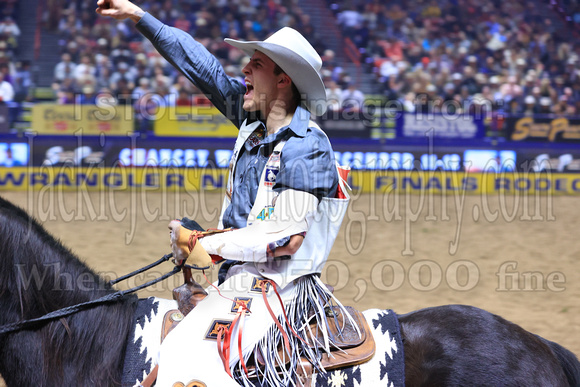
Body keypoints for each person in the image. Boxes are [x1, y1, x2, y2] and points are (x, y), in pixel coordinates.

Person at [96, 1, 353, 386]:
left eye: (257, 64)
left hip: (282, 285)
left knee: (193, 353)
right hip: (241, 279)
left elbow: (284, 238)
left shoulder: (308, 144)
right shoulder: (254, 120)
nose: (244, 69)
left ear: (284, 80)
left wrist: (204, 243)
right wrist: (139, 16)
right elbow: (203, 67)